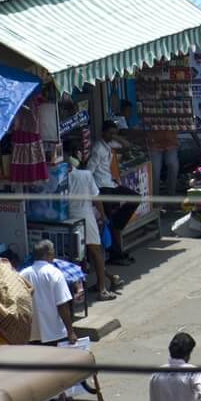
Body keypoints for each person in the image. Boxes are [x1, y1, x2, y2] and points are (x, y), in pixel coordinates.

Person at [63, 151, 114, 300]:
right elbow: (96, 199)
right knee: (96, 252)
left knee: (75, 255)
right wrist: (103, 217)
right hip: (86, 216)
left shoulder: (60, 178)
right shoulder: (85, 175)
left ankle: (86, 288)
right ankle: (102, 288)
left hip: (68, 218)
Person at [90, 121, 136, 266]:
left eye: (114, 133)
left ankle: (118, 224)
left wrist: (115, 136)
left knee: (134, 198)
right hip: (103, 188)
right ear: (103, 132)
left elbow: (127, 145)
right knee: (109, 221)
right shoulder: (98, 148)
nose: (112, 136)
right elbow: (90, 170)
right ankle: (115, 254)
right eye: (109, 133)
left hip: (111, 184)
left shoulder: (108, 145)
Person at [21, 239, 77, 344]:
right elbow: (62, 305)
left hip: (31, 335)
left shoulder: (23, 274)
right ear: (49, 254)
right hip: (55, 333)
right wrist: (70, 331)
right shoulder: (55, 273)